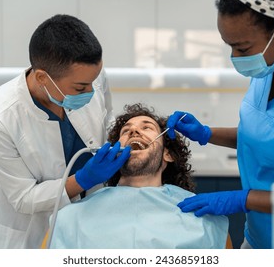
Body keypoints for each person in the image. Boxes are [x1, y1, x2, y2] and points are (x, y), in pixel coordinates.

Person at [167, 0, 274, 249]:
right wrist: (207, 133)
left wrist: (247, 199)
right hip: (258, 239)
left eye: (242, 48)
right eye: (230, 46)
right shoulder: (271, 66)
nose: (236, 58)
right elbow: (270, 135)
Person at [0, 14, 130, 248]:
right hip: (31, 231)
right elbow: (23, 197)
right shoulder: (0, 117)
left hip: (90, 218)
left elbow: (106, 118)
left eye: (94, 81)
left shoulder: (88, 75)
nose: (91, 91)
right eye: (81, 87)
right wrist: (83, 179)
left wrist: (124, 136)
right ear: (42, 77)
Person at [49, 103, 229, 249]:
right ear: (115, 151)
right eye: (126, 131)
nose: (134, 132)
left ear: (168, 154)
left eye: (147, 127)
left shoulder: (204, 218)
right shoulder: (69, 218)